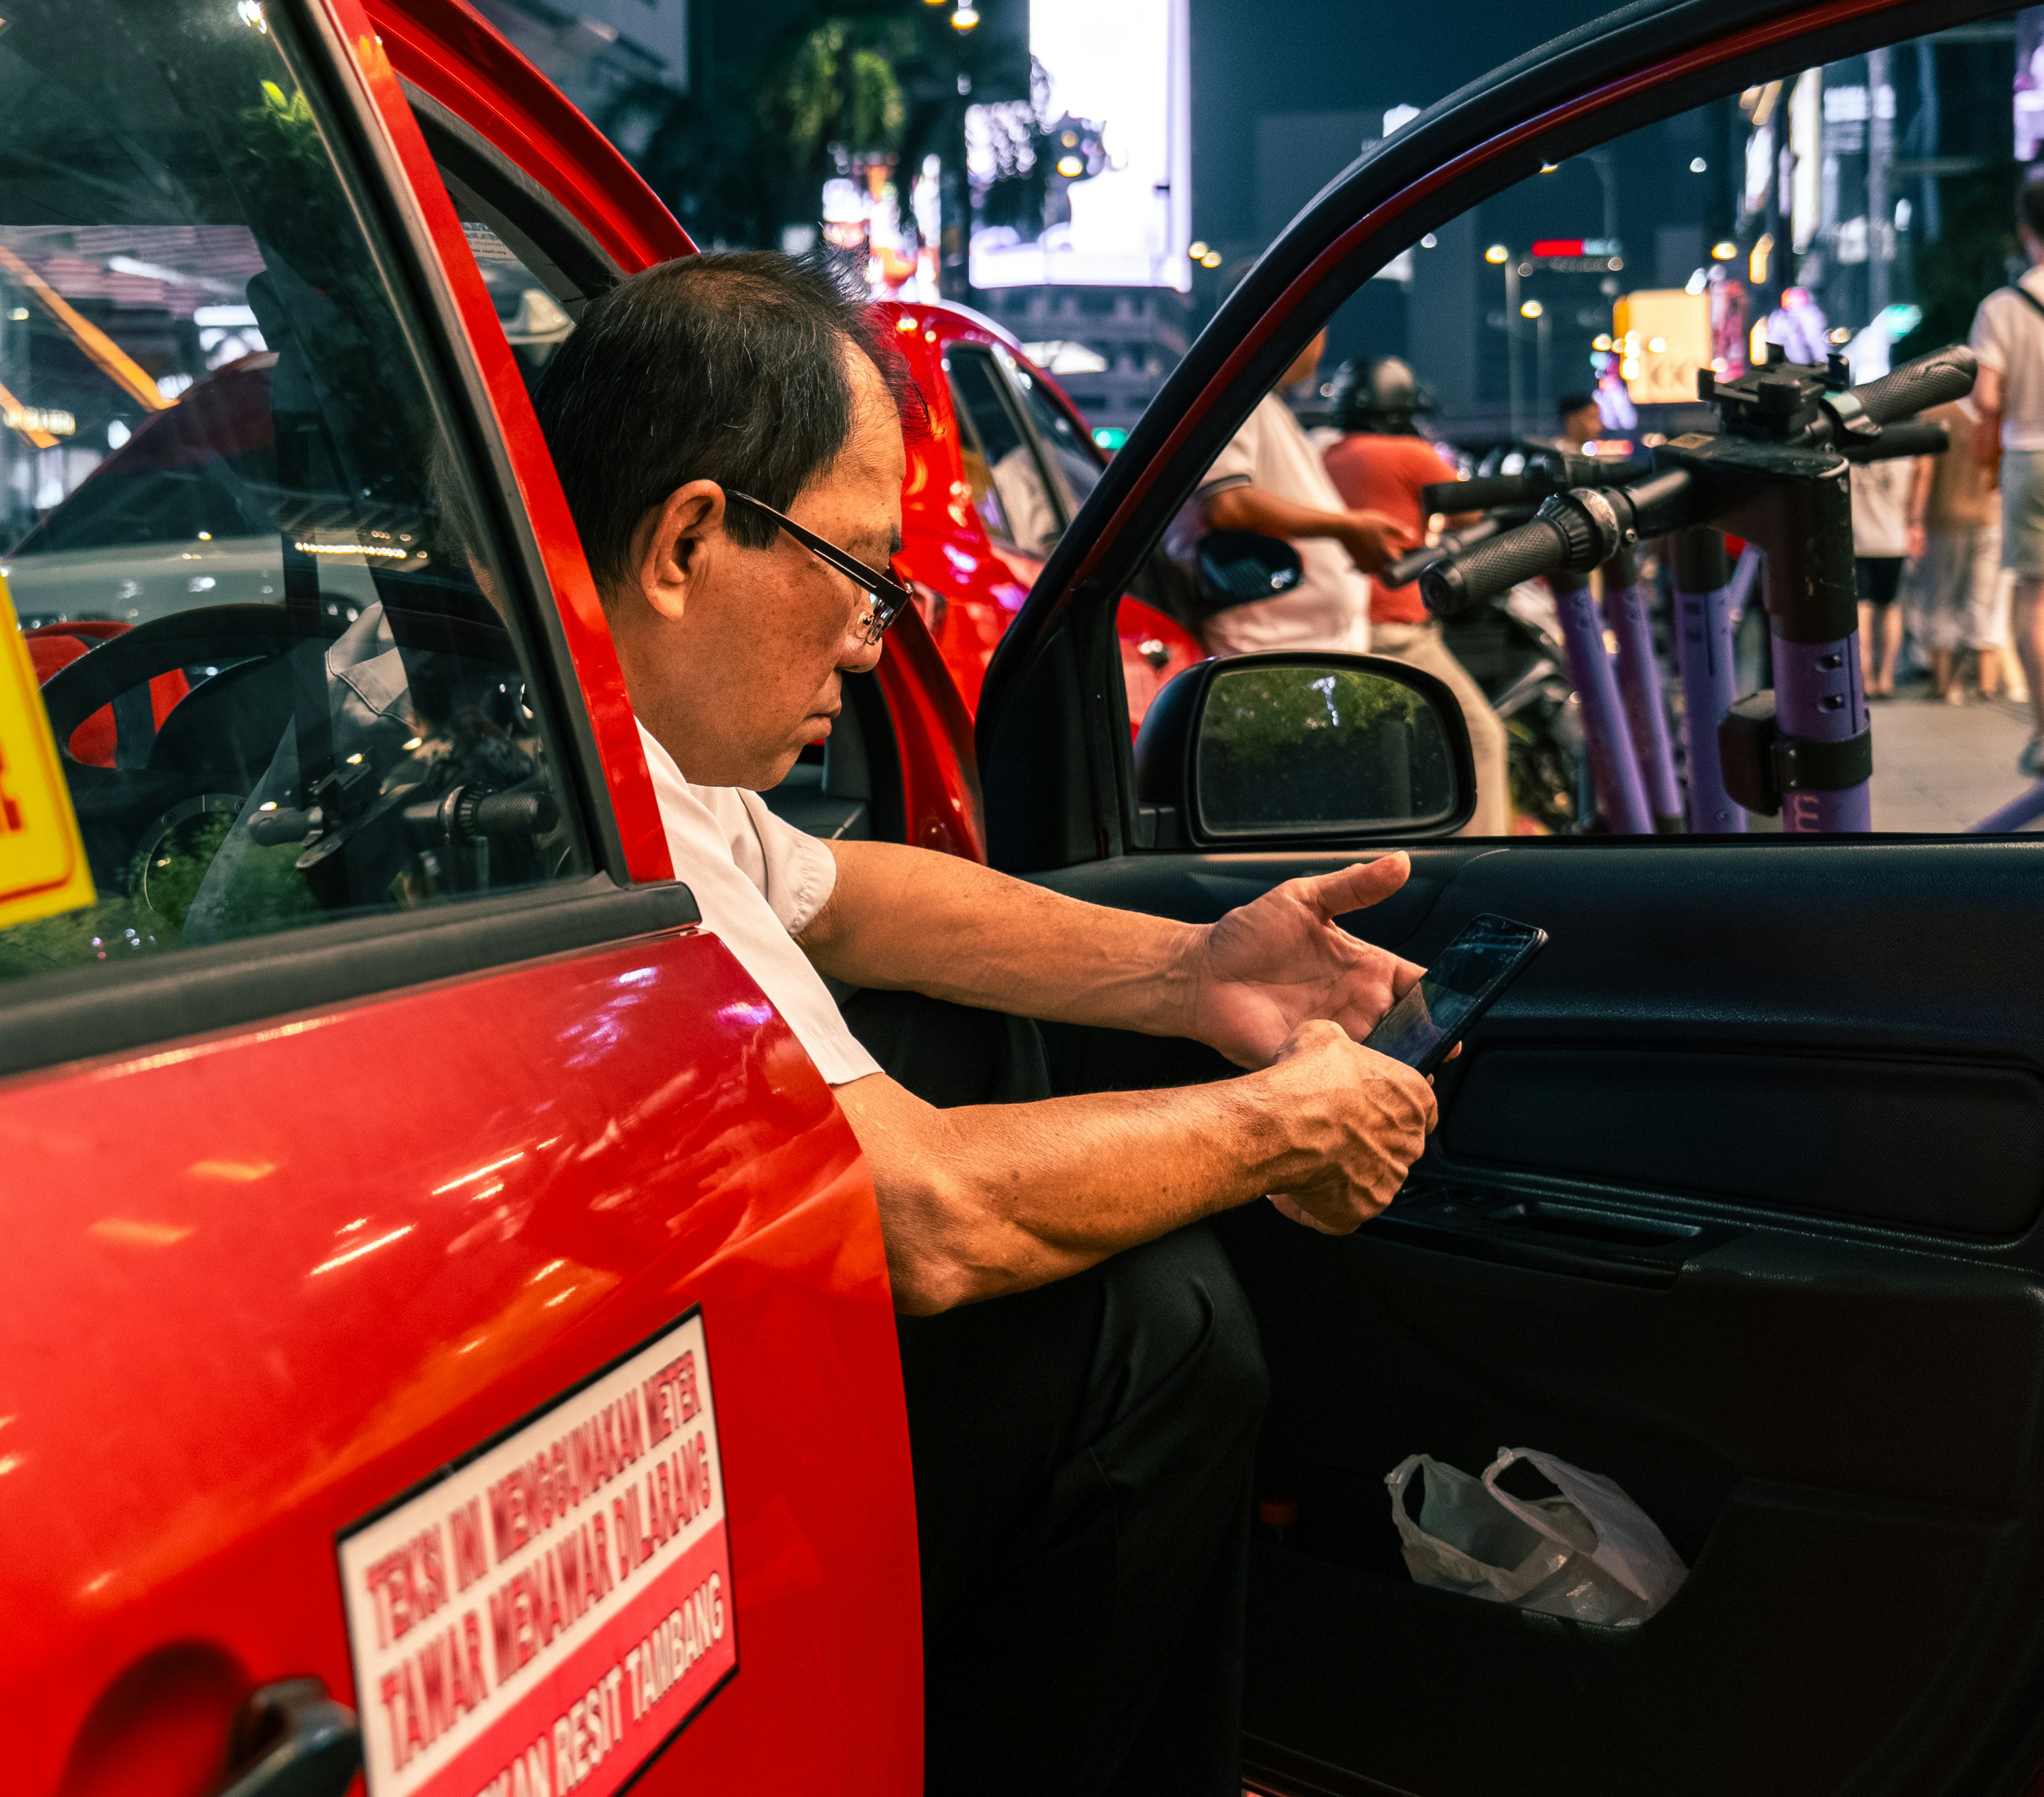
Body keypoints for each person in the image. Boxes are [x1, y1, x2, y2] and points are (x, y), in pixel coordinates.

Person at [535, 253, 1437, 1797]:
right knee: (1159, 1342)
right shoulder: (607, 822)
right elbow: (925, 1215)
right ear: (689, 540)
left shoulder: (621, 751)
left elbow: (861, 901)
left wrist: (1190, 973)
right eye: (861, 572)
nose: (876, 639)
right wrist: (1287, 1118)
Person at [1321, 356, 1511, 833]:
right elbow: (1471, 513)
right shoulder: (1410, 454)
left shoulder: (1327, 455)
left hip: (1343, 631)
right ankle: (1488, 862)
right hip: (1401, 637)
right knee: (1483, 738)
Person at [1161, 328, 1415, 657]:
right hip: (1268, 651)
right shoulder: (1235, 395)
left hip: (1295, 648)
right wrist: (1348, 528)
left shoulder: (1260, 403)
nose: (1322, 339)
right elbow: (1227, 504)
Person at [1967, 171, 2044, 773]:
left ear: (2025, 230)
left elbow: (1986, 401)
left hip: (2033, 459)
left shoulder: (2002, 307)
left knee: (2041, 601)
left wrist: (1989, 468)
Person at [1912, 395, 2015, 704]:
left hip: (1945, 519)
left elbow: (1923, 471)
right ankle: (1986, 685)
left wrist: (1914, 519)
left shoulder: (1934, 412)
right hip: (1990, 518)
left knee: (1941, 599)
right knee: (1985, 601)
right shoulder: (1997, 412)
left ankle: (1943, 685)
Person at [1849, 437, 1930, 700]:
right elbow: (1924, 470)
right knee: (1890, 606)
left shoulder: (1849, 450)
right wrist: (1915, 520)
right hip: (1893, 540)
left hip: (1856, 540)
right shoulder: (1902, 453)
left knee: (1862, 609)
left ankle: (1866, 679)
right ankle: (1886, 679)